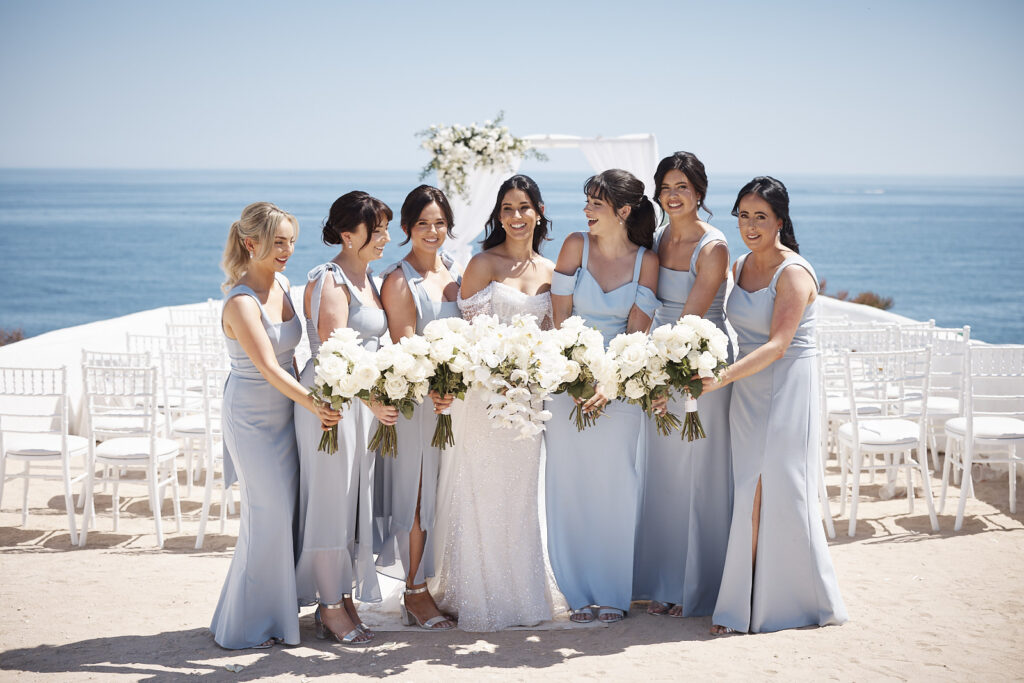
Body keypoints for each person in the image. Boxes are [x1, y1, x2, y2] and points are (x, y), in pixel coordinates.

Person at [702, 177, 847, 634]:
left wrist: (717, 379)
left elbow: (781, 344)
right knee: (748, 487)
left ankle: (776, 605)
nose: (750, 225)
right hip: (746, 389)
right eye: (743, 216)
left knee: (776, 490)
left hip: (786, 387)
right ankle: (747, 600)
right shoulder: (740, 265)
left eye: (760, 216)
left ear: (780, 220)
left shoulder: (795, 273)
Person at [428, 174, 560, 632]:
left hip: (528, 403)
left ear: (538, 212)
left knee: (521, 496)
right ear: (498, 215)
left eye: (524, 207)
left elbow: (553, 338)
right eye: (507, 208)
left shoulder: (550, 271)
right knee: (481, 491)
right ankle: (477, 594)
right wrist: (497, 375)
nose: (516, 216)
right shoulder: (483, 264)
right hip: (484, 400)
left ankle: (522, 596)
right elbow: (470, 337)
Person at [212, 202, 340, 649]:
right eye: (277, 241)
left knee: (284, 516)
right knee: (267, 515)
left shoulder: (285, 284)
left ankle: (269, 616)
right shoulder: (242, 302)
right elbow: (267, 367)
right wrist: (316, 405)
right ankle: (245, 627)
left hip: (289, 412)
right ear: (251, 243)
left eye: (291, 241)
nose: (286, 250)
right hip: (251, 417)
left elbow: (296, 356)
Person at [545, 169, 660, 623]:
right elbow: (559, 321)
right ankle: (576, 593)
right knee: (568, 485)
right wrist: (576, 380)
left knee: (615, 487)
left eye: (596, 203)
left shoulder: (646, 261)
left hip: (621, 390)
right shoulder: (575, 244)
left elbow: (637, 333)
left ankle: (613, 592)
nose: (587, 210)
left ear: (623, 211)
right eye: (587, 201)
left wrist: (608, 385)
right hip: (566, 385)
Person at [633, 152, 734, 618]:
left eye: (683, 188)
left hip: (699, 365)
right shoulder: (655, 238)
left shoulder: (712, 246)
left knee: (697, 474)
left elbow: (692, 318)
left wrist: (661, 372)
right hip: (660, 355)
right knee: (662, 474)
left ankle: (692, 588)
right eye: (666, 187)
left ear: (699, 193)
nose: (673, 196)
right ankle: (660, 581)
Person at [293, 191, 396, 645]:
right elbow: (337, 350)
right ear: (348, 235)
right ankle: (328, 605)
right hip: (331, 404)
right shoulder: (330, 279)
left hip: (362, 404)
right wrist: (372, 399)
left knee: (354, 502)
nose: (385, 239)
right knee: (331, 503)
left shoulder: (368, 279)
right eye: (377, 232)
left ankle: (344, 596)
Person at [377, 185, 461, 630]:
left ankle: (433, 582)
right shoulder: (398, 279)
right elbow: (403, 348)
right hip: (418, 406)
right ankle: (413, 591)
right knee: (417, 496)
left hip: (454, 406)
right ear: (407, 227)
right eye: (423, 223)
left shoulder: (458, 273)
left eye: (440, 223)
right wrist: (435, 389)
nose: (432, 231)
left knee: (444, 497)